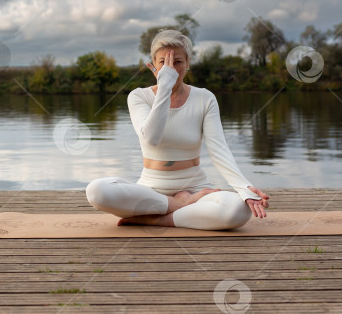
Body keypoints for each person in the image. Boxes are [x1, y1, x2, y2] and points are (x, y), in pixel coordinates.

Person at [85, 29, 269, 230]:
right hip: (151, 190)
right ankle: (180, 207)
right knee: (97, 191)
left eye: (178, 62)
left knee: (238, 210)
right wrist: (164, 86)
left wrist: (243, 187)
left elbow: (219, 150)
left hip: (195, 187)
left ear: (188, 63)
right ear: (153, 66)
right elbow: (151, 139)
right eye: (163, 62)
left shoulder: (205, 98)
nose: (170, 68)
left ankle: (160, 219)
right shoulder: (138, 97)